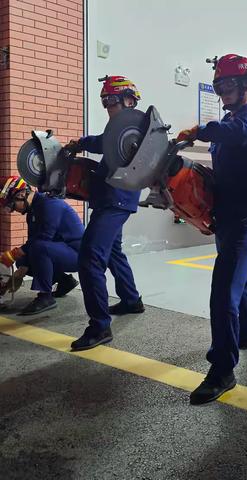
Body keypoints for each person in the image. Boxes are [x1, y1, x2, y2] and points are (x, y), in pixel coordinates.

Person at [177, 54, 247, 405]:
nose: (223, 92)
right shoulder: (227, 123)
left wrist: (198, 131)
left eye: (229, 85)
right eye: (219, 86)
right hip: (227, 213)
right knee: (239, 276)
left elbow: (234, 134)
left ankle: (222, 370)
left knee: (224, 290)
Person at [69, 75, 144, 352]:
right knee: (113, 251)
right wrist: (80, 143)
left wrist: (84, 143)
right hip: (110, 199)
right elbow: (102, 142)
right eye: (104, 101)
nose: (107, 106)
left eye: (111, 100)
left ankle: (99, 326)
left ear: (128, 100)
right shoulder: (120, 130)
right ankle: (131, 299)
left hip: (115, 200)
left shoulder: (136, 127)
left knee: (89, 258)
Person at [0, 176, 84, 314]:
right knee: (24, 259)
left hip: (78, 254)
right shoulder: (32, 211)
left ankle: (45, 297)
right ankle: (64, 281)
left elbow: (44, 238)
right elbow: (32, 243)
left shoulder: (50, 204)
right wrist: (17, 276)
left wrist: (13, 254)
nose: (14, 210)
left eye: (12, 205)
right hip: (62, 250)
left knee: (39, 248)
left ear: (21, 194)